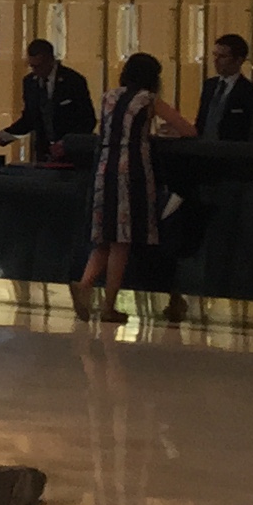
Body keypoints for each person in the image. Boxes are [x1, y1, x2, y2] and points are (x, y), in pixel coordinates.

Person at [76, 52, 195, 322]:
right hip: (132, 171)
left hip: (103, 168)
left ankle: (84, 285)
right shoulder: (148, 99)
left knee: (104, 236)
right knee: (123, 239)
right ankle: (108, 305)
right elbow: (188, 130)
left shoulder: (108, 96)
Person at [2, 37, 97, 161]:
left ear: (50, 60)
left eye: (39, 66)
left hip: (71, 153)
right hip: (44, 151)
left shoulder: (73, 80)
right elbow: (30, 118)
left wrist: (67, 143)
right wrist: (7, 134)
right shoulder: (30, 82)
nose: (35, 71)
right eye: (32, 66)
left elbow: (88, 119)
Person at [193, 32, 253, 141]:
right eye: (215, 55)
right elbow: (202, 121)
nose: (216, 60)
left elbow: (252, 131)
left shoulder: (252, 93)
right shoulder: (209, 85)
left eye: (222, 56)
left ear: (239, 60)